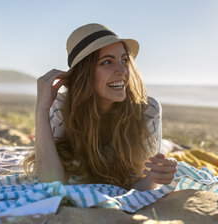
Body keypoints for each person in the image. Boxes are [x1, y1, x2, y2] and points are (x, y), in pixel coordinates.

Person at [24, 23, 178, 191]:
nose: (122, 71)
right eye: (107, 62)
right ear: (85, 73)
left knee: (164, 147)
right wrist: (41, 109)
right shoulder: (61, 107)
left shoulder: (147, 110)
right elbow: (51, 183)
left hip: (150, 135)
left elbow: (139, 184)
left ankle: (169, 144)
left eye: (124, 60)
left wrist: (155, 178)